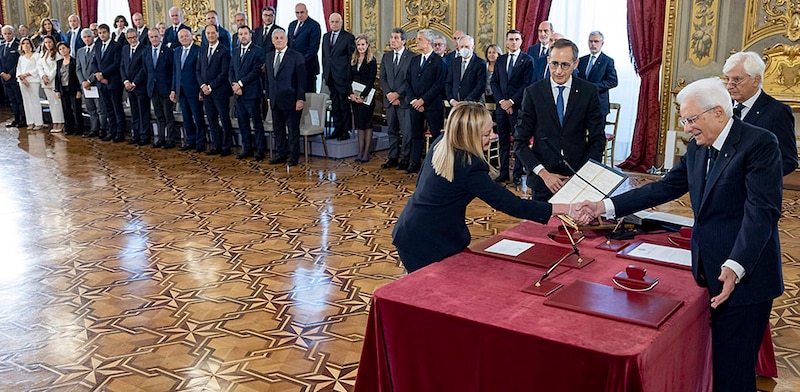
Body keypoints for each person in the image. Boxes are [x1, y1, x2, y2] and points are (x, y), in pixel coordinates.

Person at [579, 77, 784, 392]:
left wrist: (736, 264)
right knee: (718, 363)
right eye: (684, 120)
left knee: (734, 372)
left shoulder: (759, 144)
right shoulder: (699, 148)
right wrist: (603, 206)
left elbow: (761, 213)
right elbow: (663, 188)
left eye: (690, 119)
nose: (686, 128)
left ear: (717, 112)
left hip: (746, 277)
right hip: (710, 268)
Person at [392, 102, 591, 273]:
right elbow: (513, 205)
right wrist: (568, 208)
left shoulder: (443, 142)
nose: (493, 136)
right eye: (487, 134)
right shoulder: (467, 165)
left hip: (412, 230)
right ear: (470, 135)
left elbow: (421, 184)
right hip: (426, 242)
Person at [514, 38, 605, 201]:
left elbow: (597, 139)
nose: (558, 71)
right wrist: (543, 174)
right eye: (554, 64)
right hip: (543, 181)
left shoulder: (588, 92)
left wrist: (580, 176)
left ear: (575, 64)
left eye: (565, 65)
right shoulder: (533, 92)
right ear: (548, 60)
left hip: (578, 181)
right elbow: (520, 142)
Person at [723, 51, 797, 176]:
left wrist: (758, 176)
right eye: (727, 79)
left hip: (754, 191)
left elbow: (789, 160)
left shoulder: (777, 112)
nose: (730, 86)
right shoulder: (722, 107)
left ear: (755, 80)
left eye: (736, 80)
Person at [490, 29, 533, 184]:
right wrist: (502, 101)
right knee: (503, 141)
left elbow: (527, 85)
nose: (513, 42)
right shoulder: (500, 60)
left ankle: (516, 174)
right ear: (506, 41)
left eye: (516, 39)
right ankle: (503, 172)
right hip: (501, 108)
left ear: (521, 41)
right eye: (511, 39)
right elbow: (494, 82)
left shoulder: (527, 60)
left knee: (518, 141)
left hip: (518, 108)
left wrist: (511, 102)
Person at [404, 29, 444, 174]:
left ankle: (435, 165)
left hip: (432, 105)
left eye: (419, 39)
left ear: (428, 41)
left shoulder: (438, 61)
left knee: (435, 136)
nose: (416, 41)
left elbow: (438, 84)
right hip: (415, 105)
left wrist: (423, 100)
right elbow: (407, 82)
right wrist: (414, 100)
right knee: (415, 135)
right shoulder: (414, 60)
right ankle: (414, 163)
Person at [265, 28, 306, 166]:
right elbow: (268, 79)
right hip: (275, 99)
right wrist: (269, 97)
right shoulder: (269, 56)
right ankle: (281, 153)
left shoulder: (296, 56)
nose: (279, 40)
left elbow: (302, 80)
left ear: (286, 39)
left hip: (292, 99)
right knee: (278, 129)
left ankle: (294, 156)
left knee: (293, 129)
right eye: (276, 38)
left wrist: (300, 99)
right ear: (272, 41)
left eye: (281, 37)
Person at [378, 27, 413, 169]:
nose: (392, 40)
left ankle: (405, 159)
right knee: (391, 130)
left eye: (396, 38)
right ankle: (392, 157)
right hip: (389, 100)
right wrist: (389, 94)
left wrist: (398, 94)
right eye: (391, 37)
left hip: (403, 100)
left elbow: (410, 80)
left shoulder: (411, 57)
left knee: (406, 132)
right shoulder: (386, 57)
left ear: (403, 41)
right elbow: (382, 78)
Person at [230, 25, 266, 161]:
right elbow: (231, 70)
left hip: (252, 93)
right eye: (240, 34)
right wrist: (234, 84)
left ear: (250, 35)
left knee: (256, 123)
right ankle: (247, 148)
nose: (243, 36)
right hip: (238, 94)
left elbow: (256, 71)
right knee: (242, 122)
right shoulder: (235, 51)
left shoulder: (258, 51)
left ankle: (260, 149)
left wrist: (240, 83)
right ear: (238, 36)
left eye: (245, 33)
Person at [196, 24, 233, 156]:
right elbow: (198, 70)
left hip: (220, 91)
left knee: (224, 119)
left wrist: (210, 86)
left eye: (213, 33)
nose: (210, 35)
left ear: (217, 34)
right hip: (206, 92)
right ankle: (216, 145)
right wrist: (202, 86)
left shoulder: (224, 51)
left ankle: (227, 146)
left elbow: (224, 73)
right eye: (208, 33)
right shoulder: (202, 50)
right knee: (211, 120)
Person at [322, 12, 355, 141]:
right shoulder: (326, 37)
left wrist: (348, 78)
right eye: (332, 22)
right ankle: (336, 129)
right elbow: (325, 57)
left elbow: (351, 59)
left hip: (343, 77)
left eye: (337, 22)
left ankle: (345, 131)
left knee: (344, 104)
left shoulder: (348, 37)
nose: (334, 24)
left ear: (341, 23)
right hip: (330, 76)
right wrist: (325, 74)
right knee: (335, 104)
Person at [171, 28, 205, 152]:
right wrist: (173, 90)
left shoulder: (199, 50)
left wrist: (201, 90)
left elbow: (201, 71)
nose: (184, 38)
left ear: (191, 37)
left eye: (186, 36)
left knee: (198, 117)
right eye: (181, 37)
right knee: (186, 117)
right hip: (181, 91)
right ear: (178, 39)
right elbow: (175, 72)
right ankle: (190, 140)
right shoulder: (177, 51)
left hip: (195, 90)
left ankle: (200, 143)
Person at [92, 23, 125, 143]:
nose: (101, 35)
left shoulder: (116, 45)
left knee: (117, 109)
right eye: (99, 33)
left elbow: (116, 64)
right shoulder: (97, 44)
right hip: (102, 83)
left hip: (113, 81)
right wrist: (97, 74)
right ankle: (112, 131)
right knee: (108, 109)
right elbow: (94, 61)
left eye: (103, 32)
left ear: (108, 32)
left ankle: (120, 132)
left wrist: (103, 75)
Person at [143, 28, 175, 149]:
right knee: (159, 115)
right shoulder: (146, 52)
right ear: (149, 38)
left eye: (156, 36)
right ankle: (161, 138)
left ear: (161, 37)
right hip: (153, 88)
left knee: (168, 115)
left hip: (165, 88)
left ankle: (170, 140)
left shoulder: (168, 51)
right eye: (152, 37)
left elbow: (172, 71)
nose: (154, 39)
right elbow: (146, 70)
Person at [348, 35, 377, 162]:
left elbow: (371, 81)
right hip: (354, 97)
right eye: (358, 45)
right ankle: (359, 152)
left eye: (363, 45)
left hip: (367, 97)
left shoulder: (372, 60)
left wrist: (362, 96)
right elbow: (348, 78)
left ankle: (366, 153)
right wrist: (351, 95)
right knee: (359, 125)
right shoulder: (353, 59)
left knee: (367, 124)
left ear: (367, 46)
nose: (360, 47)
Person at [577, 31, 618, 116]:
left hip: (599, 106)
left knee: (596, 129)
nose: (593, 44)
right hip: (582, 105)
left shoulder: (607, 61)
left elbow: (613, 81)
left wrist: (593, 87)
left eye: (596, 41)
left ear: (602, 43)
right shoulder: (581, 60)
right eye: (590, 41)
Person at [121, 28, 150, 146]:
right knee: (134, 111)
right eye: (129, 38)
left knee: (143, 112)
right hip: (128, 86)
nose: (132, 40)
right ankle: (136, 135)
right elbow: (122, 66)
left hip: (140, 86)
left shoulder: (144, 49)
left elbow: (144, 69)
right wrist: (126, 81)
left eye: (134, 37)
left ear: (138, 36)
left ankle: (144, 136)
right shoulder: (124, 49)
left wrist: (135, 83)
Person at [77, 28, 106, 138]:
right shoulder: (80, 51)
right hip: (85, 86)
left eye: (89, 36)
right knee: (91, 109)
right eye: (84, 37)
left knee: (100, 109)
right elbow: (78, 69)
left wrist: (89, 80)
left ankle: (102, 130)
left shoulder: (98, 49)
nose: (87, 39)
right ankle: (94, 129)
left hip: (95, 84)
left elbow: (98, 67)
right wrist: (83, 82)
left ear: (93, 37)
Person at [287, 3, 321, 93]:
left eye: (302, 12)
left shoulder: (314, 26)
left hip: (308, 67)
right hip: (293, 68)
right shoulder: (292, 25)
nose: (300, 15)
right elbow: (289, 45)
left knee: (308, 95)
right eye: (297, 13)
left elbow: (313, 49)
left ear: (306, 12)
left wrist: (299, 61)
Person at [445, 35, 487, 106]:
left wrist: (466, 102)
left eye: (467, 47)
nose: (464, 49)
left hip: (472, 105)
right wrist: (451, 100)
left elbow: (480, 86)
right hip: (455, 105)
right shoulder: (454, 62)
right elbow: (448, 83)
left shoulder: (480, 63)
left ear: (472, 47)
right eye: (462, 47)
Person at [37, 35, 65, 133]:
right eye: (46, 42)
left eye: (49, 42)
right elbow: (39, 66)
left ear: (53, 42)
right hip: (45, 81)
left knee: (57, 102)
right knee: (51, 103)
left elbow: (57, 68)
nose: (48, 44)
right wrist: (43, 76)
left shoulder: (57, 54)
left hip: (54, 81)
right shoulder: (43, 54)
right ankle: (55, 122)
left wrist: (49, 77)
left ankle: (60, 122)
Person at [54, 42, 82, 135]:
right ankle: (69, 128)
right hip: (63, 88)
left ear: (68, 49)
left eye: (64, 48)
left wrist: (79, 90)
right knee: (66, 109)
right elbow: (57, 77)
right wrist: (57, 90)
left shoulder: (74, 61)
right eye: (60, 49)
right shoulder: (58, 63)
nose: (62, 50)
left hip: (73, 88)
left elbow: (77, 76)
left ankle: (79, 129)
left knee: (76, 109)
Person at [16, 38, 43, 129]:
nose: (26, 45)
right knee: (26, 101)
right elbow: (18, 69)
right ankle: (30, 122)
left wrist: (27, 74)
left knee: (35, 100)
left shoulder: (37, 56)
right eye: (24, 44)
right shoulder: (21, 57)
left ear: (31, 45)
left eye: (28, 43)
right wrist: (22, 78)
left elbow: (38, 68)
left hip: (33, 80)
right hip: (23, 81)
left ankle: (38, 122)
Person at [1, 25, 26, 128]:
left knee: (19, 99)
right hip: (4, 78)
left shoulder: (18, 45)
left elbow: (18, 62)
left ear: (13, 33)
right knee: (11, 99)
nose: (7, 36)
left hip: (15, 77)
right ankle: (15, 118)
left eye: (9, 33)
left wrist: (10, 74)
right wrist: (2, 73)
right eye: (5, 34)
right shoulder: (1, 46)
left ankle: (23, 119)